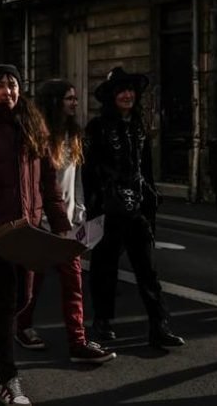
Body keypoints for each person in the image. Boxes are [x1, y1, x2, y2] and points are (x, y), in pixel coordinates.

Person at [0, 64, 71, 405]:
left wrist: (61, 226)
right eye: (0, 85)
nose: (8, 91)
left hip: (27, 231)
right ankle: (9, 382)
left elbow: (48, 185)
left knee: (22, 301)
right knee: (6, 299)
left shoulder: (35, 125)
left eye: (13, 84)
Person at [14, 79, 115, 364]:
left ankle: (77, 341)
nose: (74, 103)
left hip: (67, 223)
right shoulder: (37, 135)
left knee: (73, 282)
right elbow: (36, 183)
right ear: (55, 101)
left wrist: (80, 211)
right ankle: (22, 327)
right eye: (69, 98)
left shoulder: (73, 135)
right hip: (41, 223)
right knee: (32, 284)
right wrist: (40, 218)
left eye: (75, 98)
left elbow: (75, 179)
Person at [83, 66, 184, 349]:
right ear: (112, 96)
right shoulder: (97, 127)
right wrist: (94, 210)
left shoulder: (139, 126)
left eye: (131, 91)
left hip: (138, 207)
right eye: (121, 91)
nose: (127, 95)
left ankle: (159, 326)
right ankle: (102, 322)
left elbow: (146, 168)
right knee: (105, 268)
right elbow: (88, 172)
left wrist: (150, 201)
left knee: (147, 270)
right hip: (109, 207)